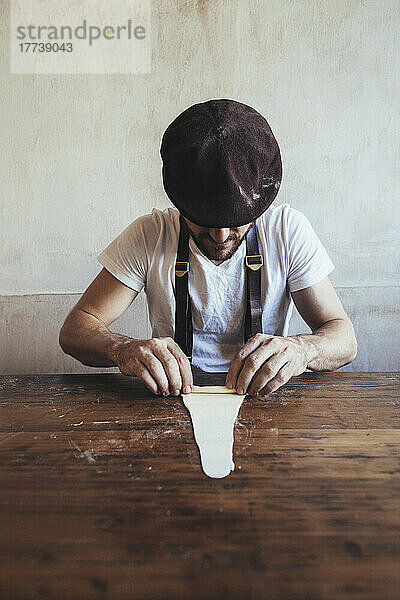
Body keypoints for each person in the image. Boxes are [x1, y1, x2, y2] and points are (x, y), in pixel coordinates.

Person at [59, 99, 357, 398]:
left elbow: (344, 338)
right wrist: (122, 349)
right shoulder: (151, 234)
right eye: (203, 221)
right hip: (171, 402)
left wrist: (302, 350)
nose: (220, 235)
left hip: (268, 399)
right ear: (179, 202)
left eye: (237, 221)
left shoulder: (287, 231)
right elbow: (75, 329)